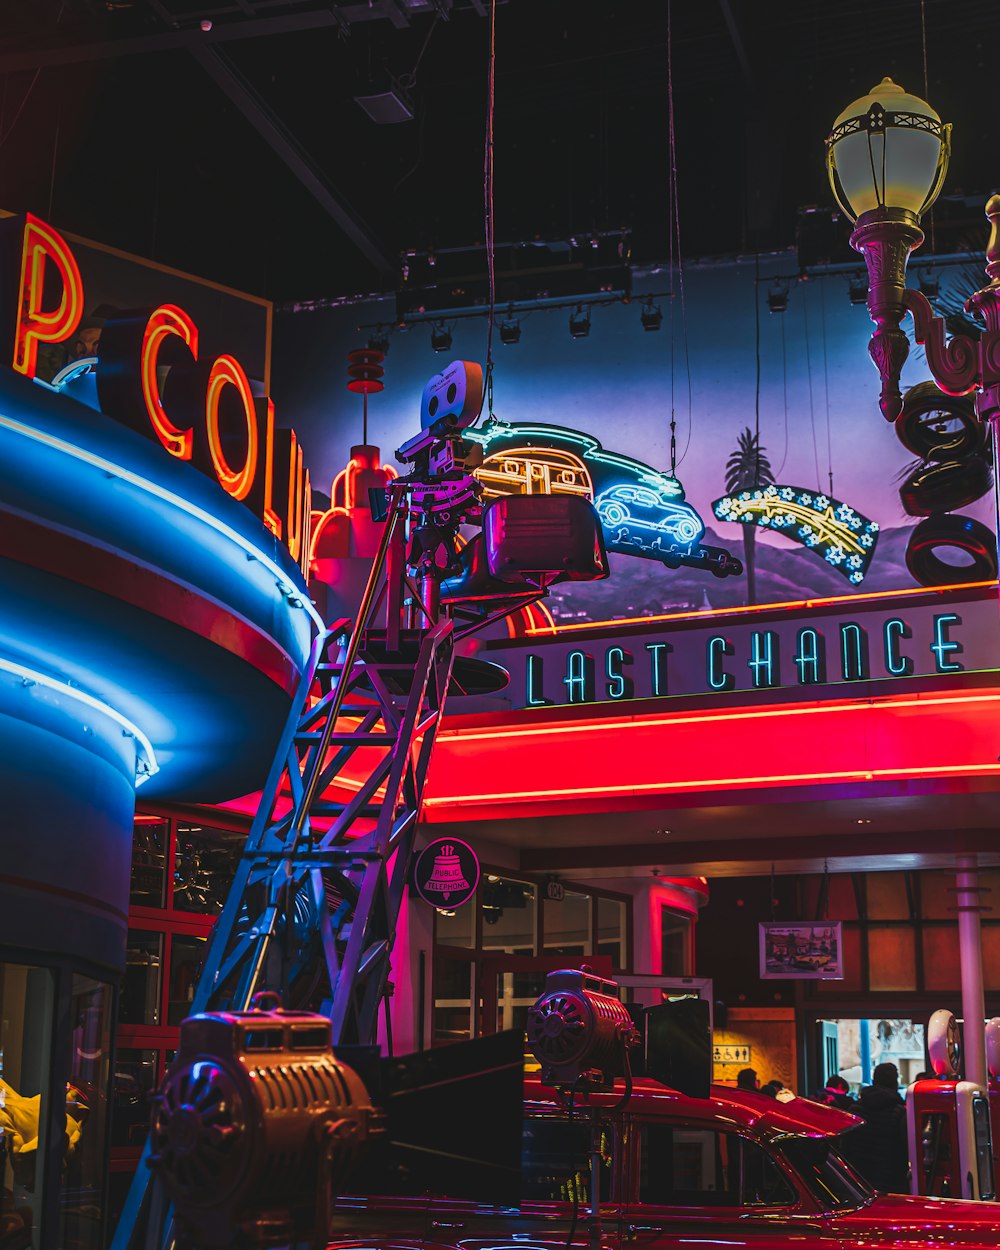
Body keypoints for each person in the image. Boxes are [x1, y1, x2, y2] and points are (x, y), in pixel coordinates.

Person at [840, 1062, 908, 1192]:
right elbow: (905, 1149)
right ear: (895, 1083)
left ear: (874, 1080)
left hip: (860, 1181)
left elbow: (846, 1146)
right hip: (891, 1182)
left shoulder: (855, 1110)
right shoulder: (899, 1112)